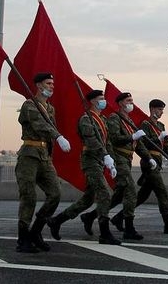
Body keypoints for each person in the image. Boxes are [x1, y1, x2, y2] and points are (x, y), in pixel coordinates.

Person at [46, 89, 120, 245]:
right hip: (90, 160)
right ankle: (105, 233)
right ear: (92, 101)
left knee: (87, 200)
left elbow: (107, 142)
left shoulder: (102, 119)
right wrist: (104, 155)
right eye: (101, 98)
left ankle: (57, 221)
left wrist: (111, 160)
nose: (104, 101)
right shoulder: (86, 119)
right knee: (105, 193)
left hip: (100, 161)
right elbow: (92, 141)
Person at [15, 72, 71, 253]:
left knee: (55, 193)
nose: (52, 86)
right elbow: (41, 125)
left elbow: (50, 126)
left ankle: (36, 232)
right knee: (29, 197)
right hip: (29, 155)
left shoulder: (50, 108)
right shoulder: (29, 105)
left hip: (44, 156)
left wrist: (54, 143)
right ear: (39, 86)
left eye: (53, 84)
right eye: (48, 83)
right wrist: (58, 136)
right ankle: (23, 239)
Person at [111, 99, 168, 234]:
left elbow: (165, 147)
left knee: (142, 196)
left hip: (157, 161)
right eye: (159, 109)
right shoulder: (145, 124)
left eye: (162, 110)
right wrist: (158, 139)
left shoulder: (161, 125)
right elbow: (143, 143)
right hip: (148, 162)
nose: (161, 112)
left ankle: (118, 217)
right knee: (162, 192)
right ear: (152, 109)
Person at [107, 92, 157, 240]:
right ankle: (129, 228)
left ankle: (91, 216)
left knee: (119, 195)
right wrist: (132, 137)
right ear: (121, 103)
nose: (131, 103)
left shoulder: (129, 121)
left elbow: (139, 145)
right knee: (130, 192)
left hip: (128, 159)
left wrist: (148, 158)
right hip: (119, 158)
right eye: (129, 101)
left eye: (132, 100)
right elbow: (115, 139)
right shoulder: (114, 118)